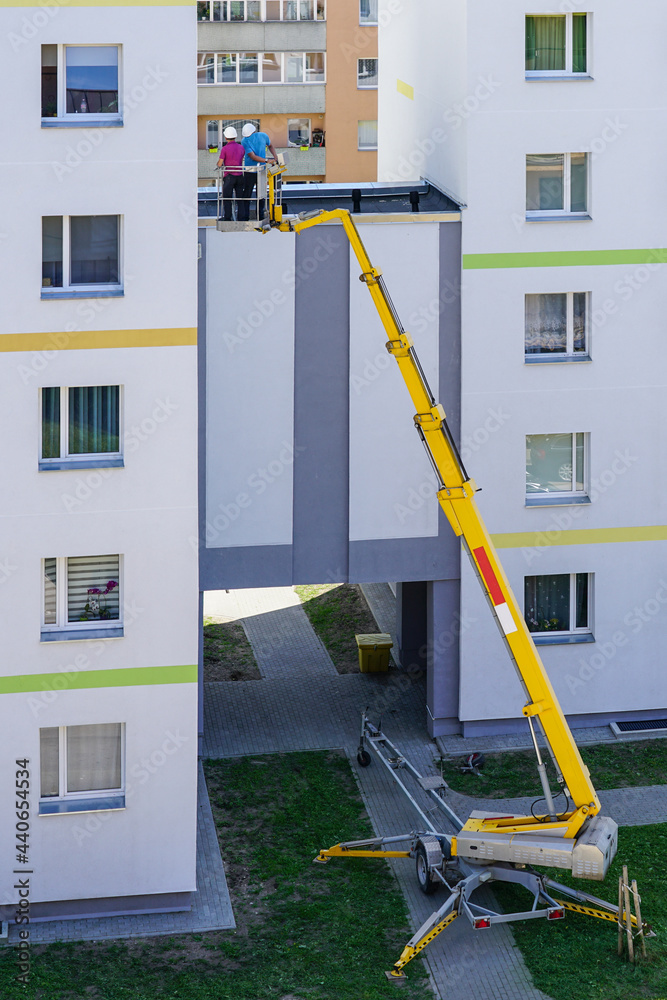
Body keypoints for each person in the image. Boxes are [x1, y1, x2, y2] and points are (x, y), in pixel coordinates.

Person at [241, 123, 278, 220]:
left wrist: (269, 160)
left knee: (247, 195)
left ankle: (245, 216)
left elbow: (252, 156)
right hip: (261, 170)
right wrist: (274, 158)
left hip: (249, 170)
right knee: (261, 194)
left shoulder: (244, 141)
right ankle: (260, 216)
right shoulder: (263, 135)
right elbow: (270, 146)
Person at [216, 126, 246, 221]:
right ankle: (241, 217)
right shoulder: (241, 147)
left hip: (229, 176)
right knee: (240, 198)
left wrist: (218, 164)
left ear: (225, 137)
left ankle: (227, 217)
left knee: (227, 198)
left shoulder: (225, 149)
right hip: (240, 175)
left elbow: (220, 163)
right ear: (235, 136)